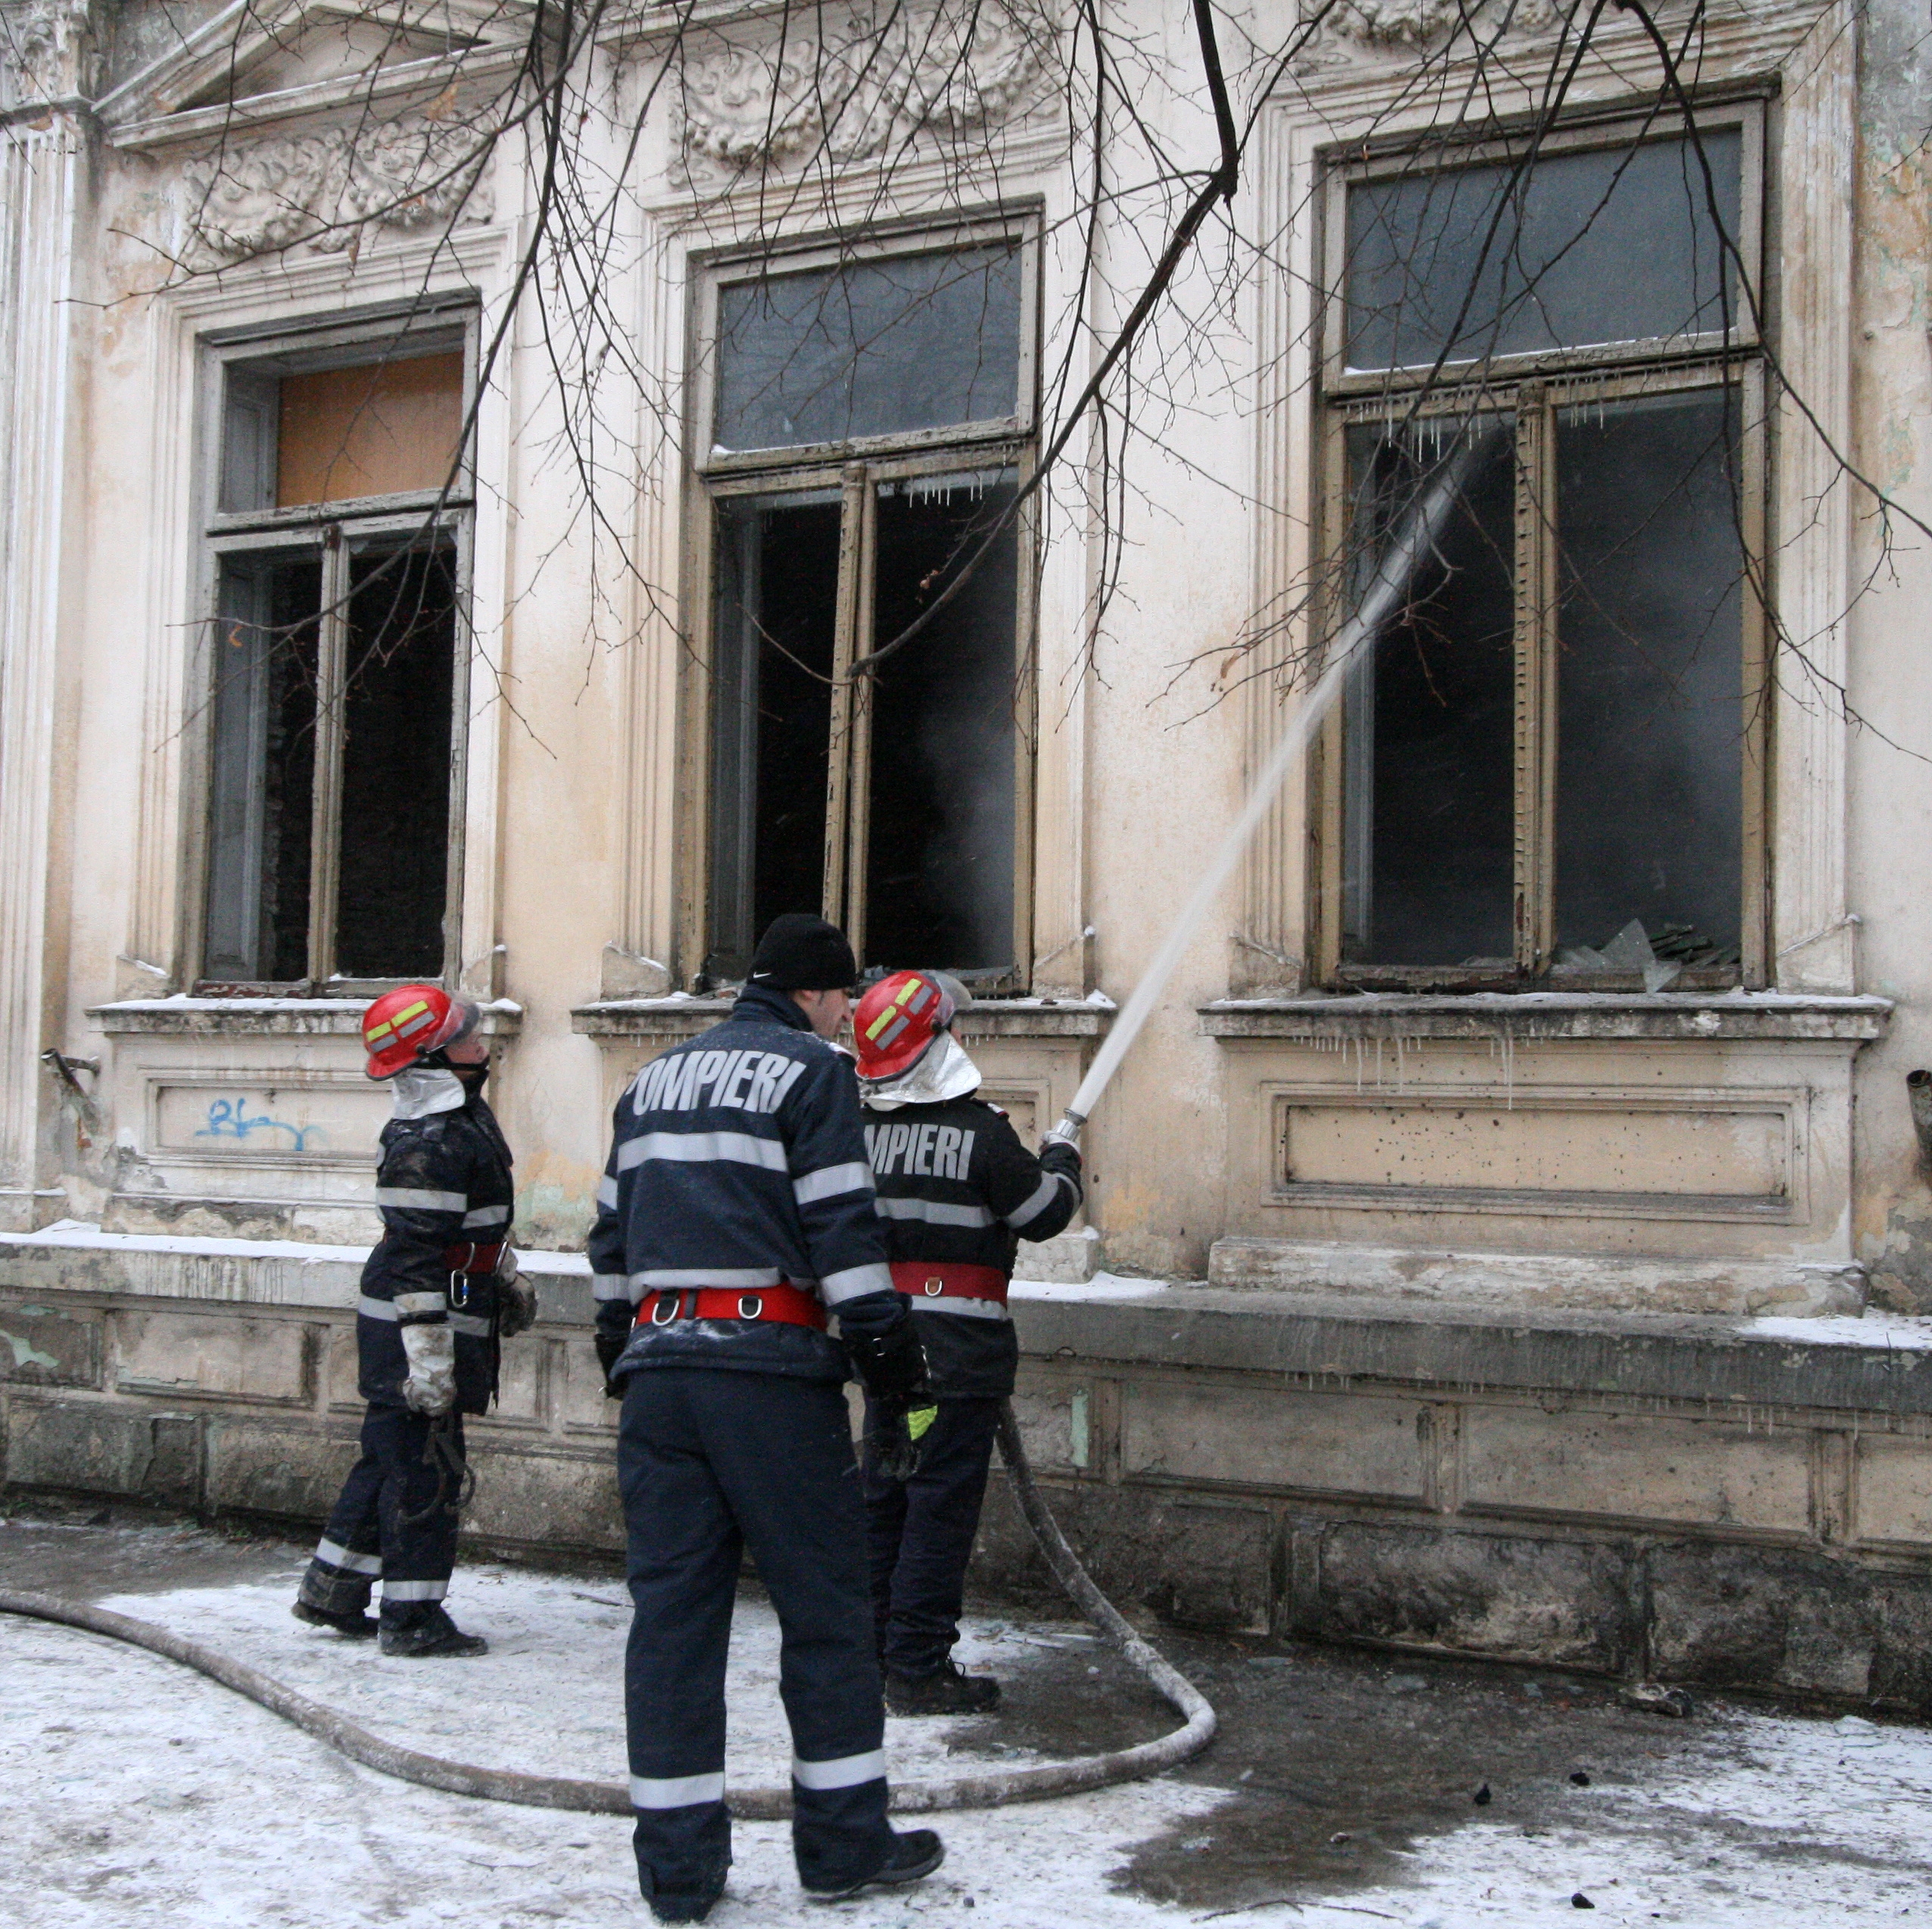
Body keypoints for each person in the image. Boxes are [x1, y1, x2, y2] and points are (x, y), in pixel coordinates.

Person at [590, 913, 945, 1924]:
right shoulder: (812, 1074)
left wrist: (627, 1354)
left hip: (662, 1374)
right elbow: (842, 1223)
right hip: (769, 1375)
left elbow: (610, 1237)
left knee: (671, 1624)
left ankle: (677, 1873)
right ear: (819, 996)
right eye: (843, 1002)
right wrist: (888, 1358)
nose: (845, 1021)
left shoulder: (651, 1082)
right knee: (828, 1613)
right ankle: (843, 1845)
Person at [852, 969, 1083, 1714]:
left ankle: (871, 1653)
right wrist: (1061, 1159)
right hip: (955, 1368)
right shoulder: (981, 1134)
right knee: (936, 1510)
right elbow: (1044, 1214)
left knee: (888, 1496)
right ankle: (916, 1667)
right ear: (941, 1045)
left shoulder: (860, 1135)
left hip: (892, 1365)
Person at [293, 986, 534, 1659]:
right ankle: (414, 1618)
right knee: (425, 1471)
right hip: (418, 1322)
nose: (481, 1044)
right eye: (463, 1038)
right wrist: (428, 1356)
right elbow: (416, 1256)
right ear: (431, 1061)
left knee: (390, 1458)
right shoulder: (428, 1141)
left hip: (444, 1309)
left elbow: (468, 1224)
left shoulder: (461, 1120)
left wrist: (503, 1275)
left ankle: (333, 1589)